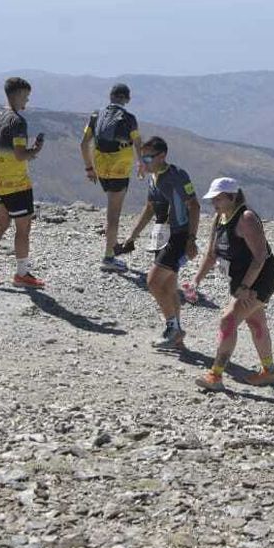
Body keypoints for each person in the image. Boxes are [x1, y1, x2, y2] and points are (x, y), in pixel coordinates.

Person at [190, 177, 274, 389]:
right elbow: (211, 254)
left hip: (260, 277)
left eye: (218, 199)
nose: (214, 203)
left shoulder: (246, 218)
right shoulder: (219, 218)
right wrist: (196, 280)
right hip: (240, 279)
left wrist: (245, 288)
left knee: (228, 319)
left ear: (232, 197)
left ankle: (215, 375)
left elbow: (259, 258)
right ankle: (269, 372)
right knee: (255, 321)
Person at [120, 137, 199, 349]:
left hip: (178, 235)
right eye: (142, 157)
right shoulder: (153, 177)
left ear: (162, 156)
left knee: (153, 282)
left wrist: (191, 239)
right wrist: (133, 235)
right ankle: (177, 337)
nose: (143, 162)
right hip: (161, 235)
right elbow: (150, 207)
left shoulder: (177, 176)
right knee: (169, 286)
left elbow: (194, 206)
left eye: (147, 157)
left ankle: (173, 328)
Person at [0, 76, 45, 288]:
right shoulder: (18, 121)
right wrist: (35, 149)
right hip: (16, 183)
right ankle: (22, 274)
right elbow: (19, 154)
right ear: (17, 94)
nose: (27, 101)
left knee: (1, 223)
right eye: (26, 96)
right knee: (23, 229)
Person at [79, 83, 141, 272]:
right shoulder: (129, 118)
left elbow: (83, 144)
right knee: (113, 216)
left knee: (111, 212)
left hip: (101, 168)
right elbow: (138, 143)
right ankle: (108, 257)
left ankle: (110, 254)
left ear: (111, 96)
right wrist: (143, 165)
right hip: (119, 170)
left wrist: (89, 168)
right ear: (127, 99)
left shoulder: (96, 115)